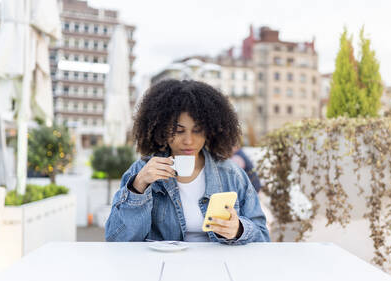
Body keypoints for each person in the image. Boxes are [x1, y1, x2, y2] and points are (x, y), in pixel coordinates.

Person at [104, 79, 270, 244]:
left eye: (197, 130)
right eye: (178, 131)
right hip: (162, 266)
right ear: (161, 129)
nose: (188, 141)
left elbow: (262, 237)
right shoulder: (142, 171)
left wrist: (239, 230)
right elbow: (116, 241)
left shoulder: (231, 174)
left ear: (209, 131)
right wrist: (138, 186)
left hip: (217, 266)